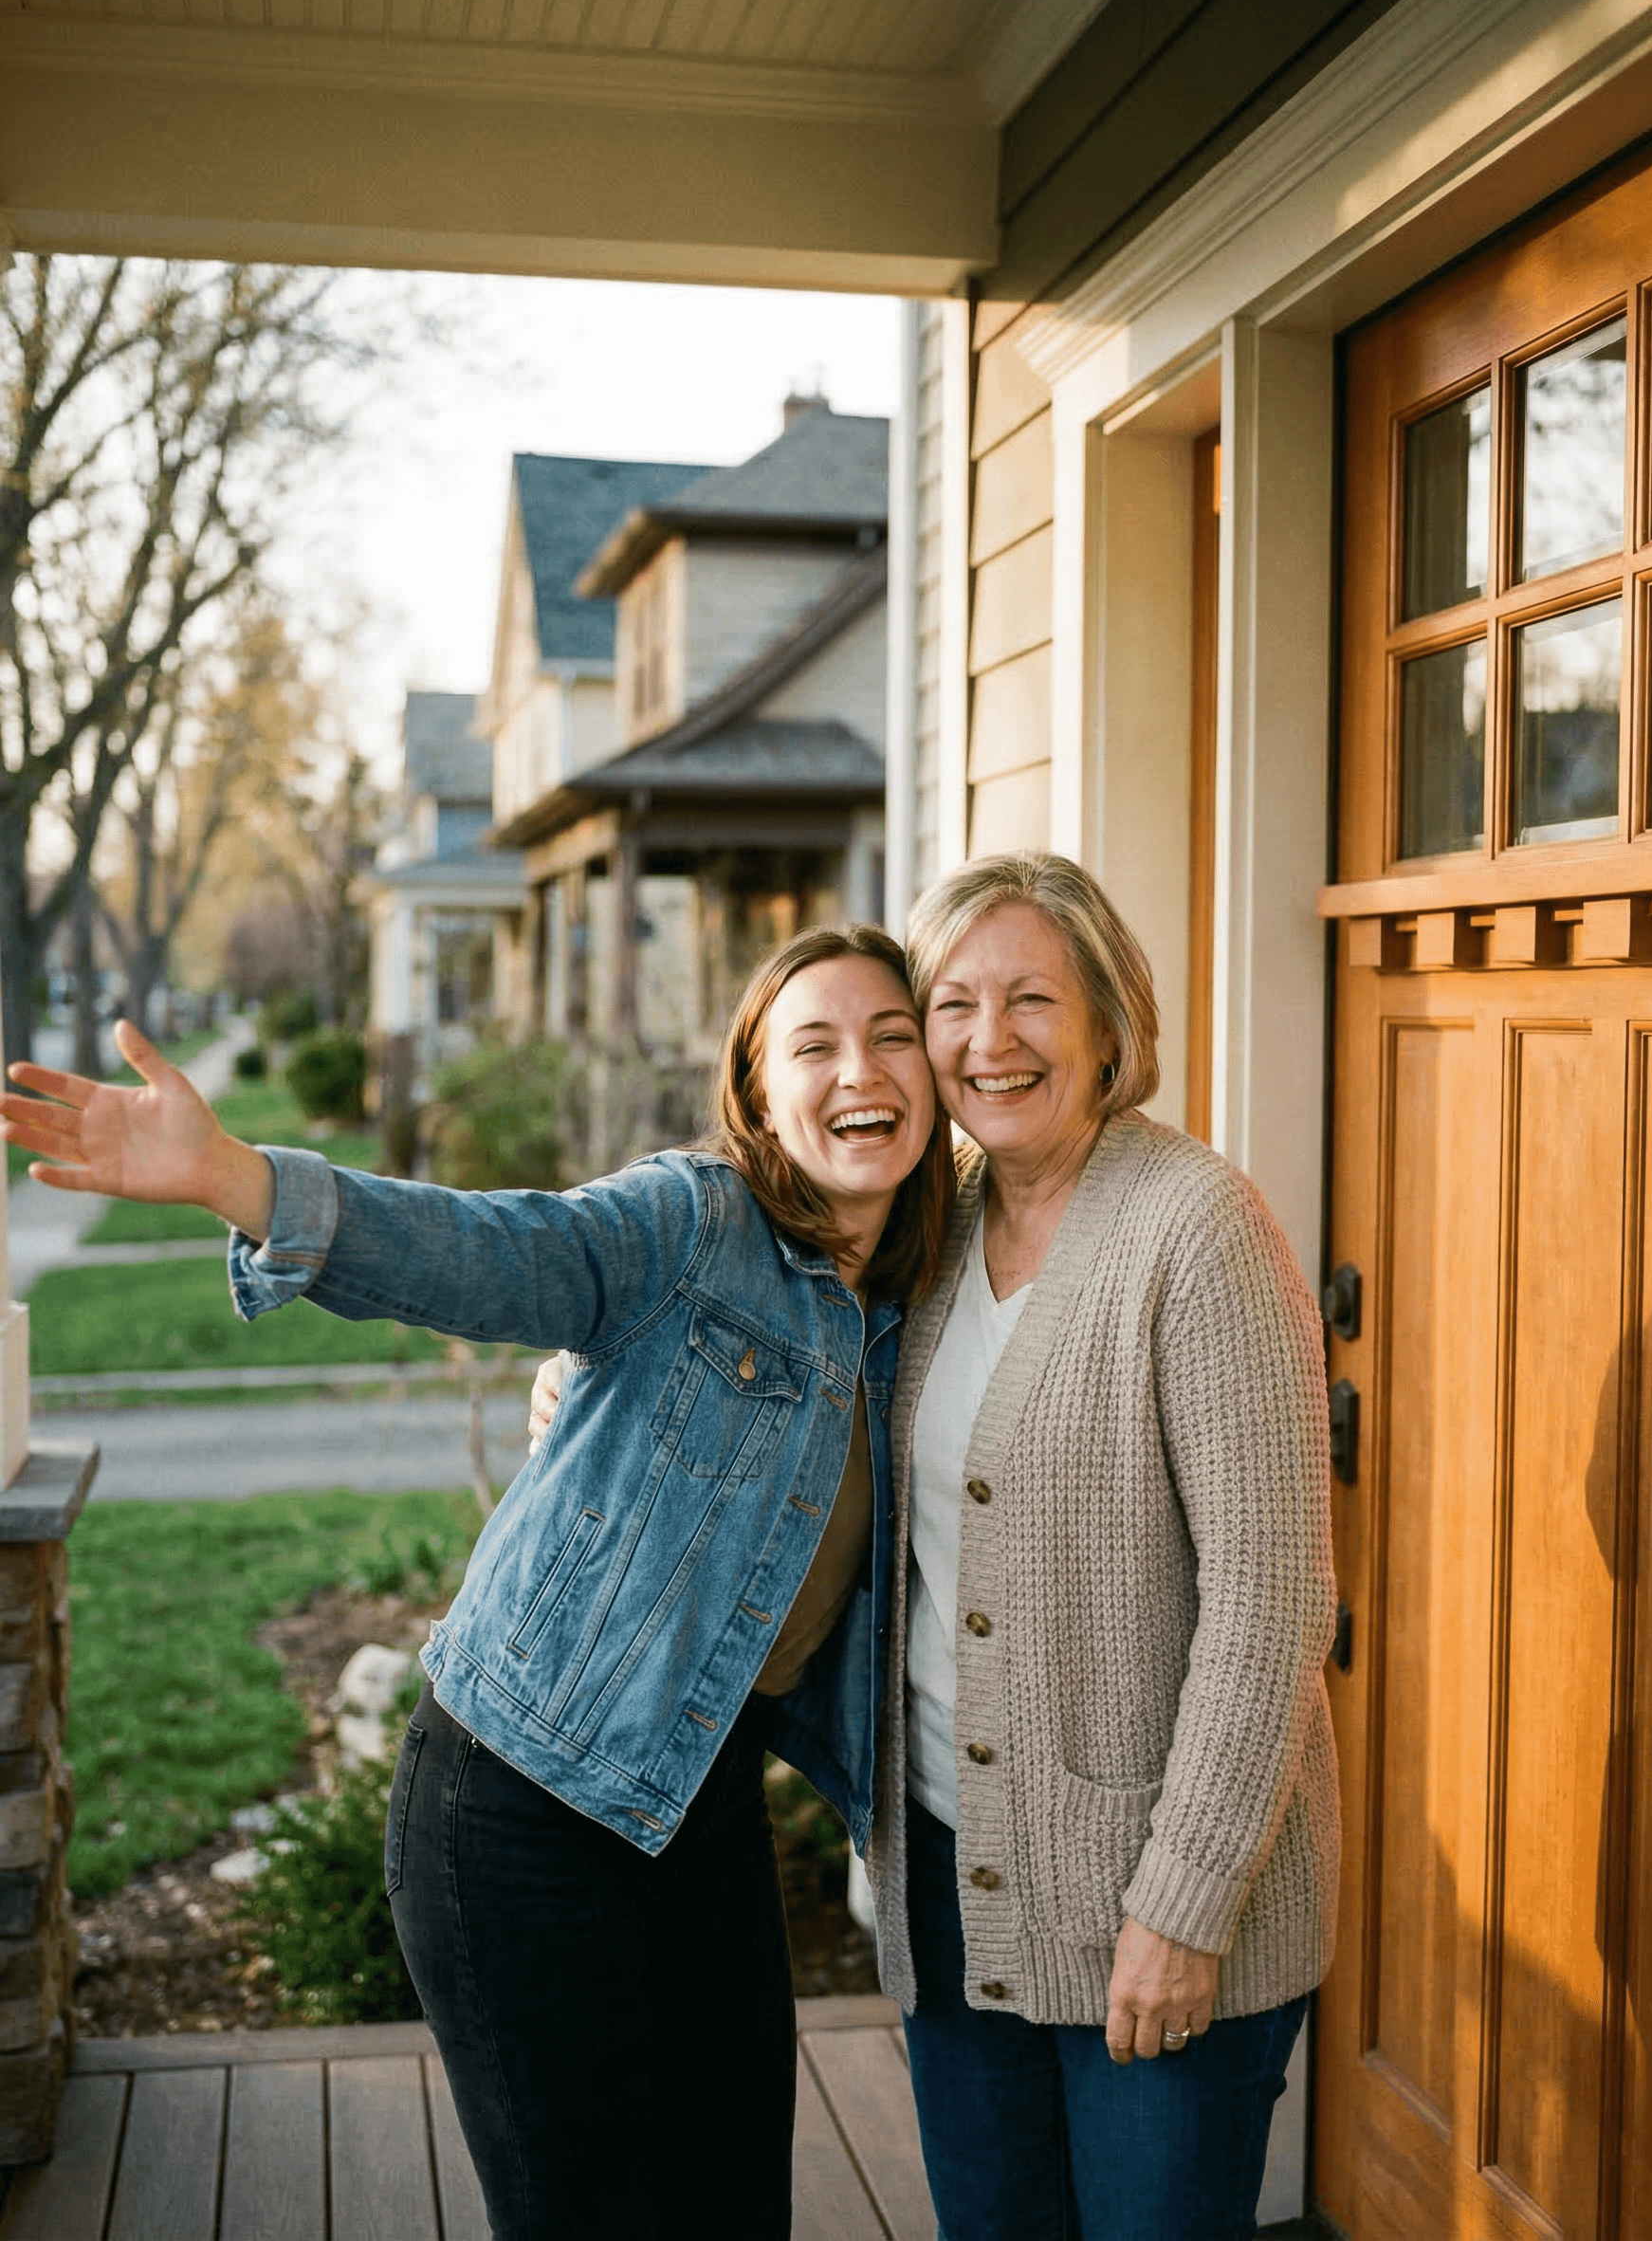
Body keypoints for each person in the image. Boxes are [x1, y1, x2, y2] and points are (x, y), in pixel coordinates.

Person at [0, 925, 954, 2241]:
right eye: (817, 1043)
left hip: (699, 1811)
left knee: (732, 2205)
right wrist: (238, 1178)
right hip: (517, 1811)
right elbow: (500, 1252)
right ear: (759, 1093)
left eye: (892, 1034)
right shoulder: (694, 1220)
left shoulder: (922, 1301)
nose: (862, 1068)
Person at [882, 852, 1337, 2241]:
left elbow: (1273, 1599)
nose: (988, 1040)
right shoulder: (932, 1226)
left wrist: (1183, 1908)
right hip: (958, 1887)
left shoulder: (1194, 1226)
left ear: (1106, 1021)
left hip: (1152, 1900)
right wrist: (570, 1378)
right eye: (951, 1003)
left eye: (1031, 999)